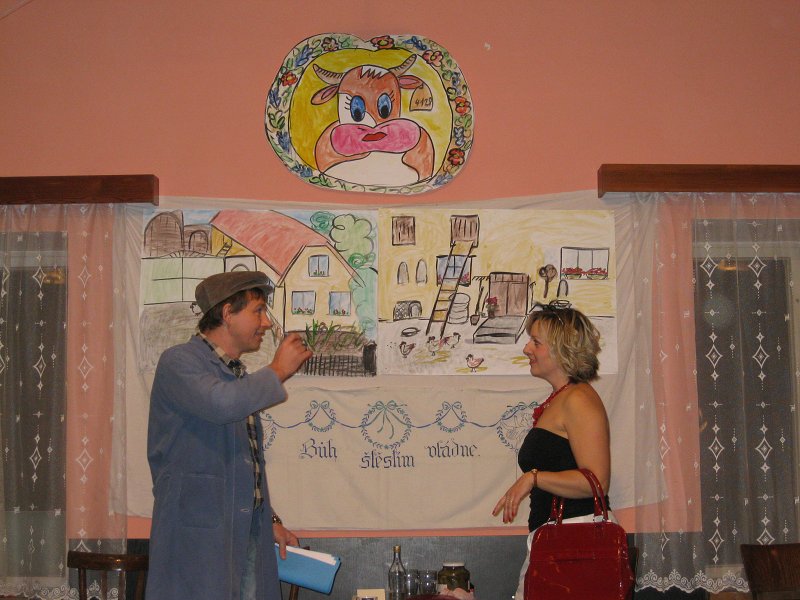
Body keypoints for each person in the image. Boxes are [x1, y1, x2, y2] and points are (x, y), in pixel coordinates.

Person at [146, 271, 312, 600]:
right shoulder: (178, 362)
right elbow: (221, 404)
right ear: (227, 313)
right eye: (258, 311)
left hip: (243, 533)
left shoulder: (235, 376)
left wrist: (269, 520)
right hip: (198, 542)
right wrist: (278, 369)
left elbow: (244, 465)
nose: (266, 323)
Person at [491, 304, 611, 599]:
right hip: (559, 540)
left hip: (574, 544)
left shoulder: (579, 399)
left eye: (536, 342)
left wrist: (533, 478)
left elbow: (596, 482)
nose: (526, 349)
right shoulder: (564, 398)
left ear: (562, 349)